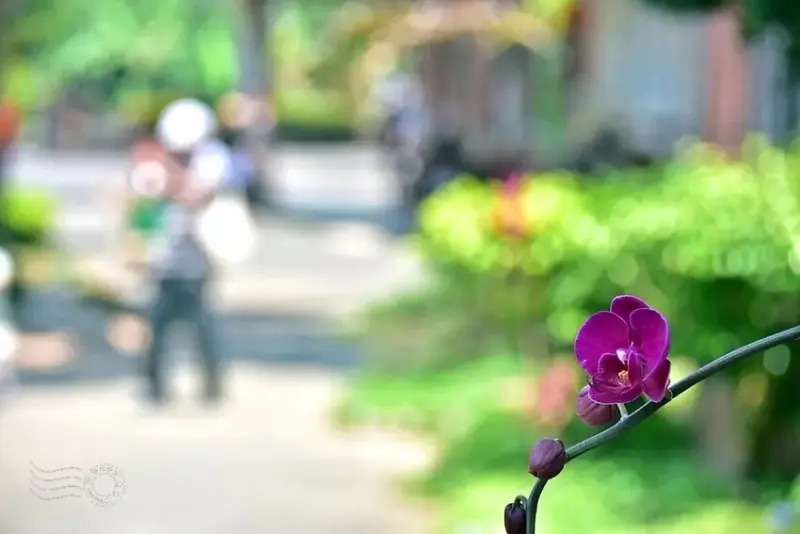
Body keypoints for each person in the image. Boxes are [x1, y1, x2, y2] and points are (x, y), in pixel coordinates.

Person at [140, 97, 233, 404]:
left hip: (198, 260)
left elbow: (201, 194)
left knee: (204, 326)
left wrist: (174, 181)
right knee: (157, 327)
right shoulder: (154, 162)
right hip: (163, 260)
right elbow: (142, 192)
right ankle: (154, 387)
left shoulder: (212, 160)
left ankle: (212, 386)